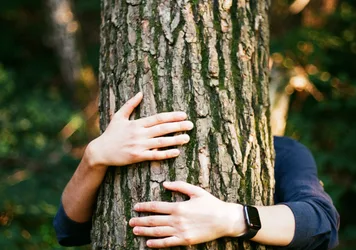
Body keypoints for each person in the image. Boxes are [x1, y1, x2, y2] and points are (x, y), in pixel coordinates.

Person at [53, 92, 340, 249]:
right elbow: (69, 231)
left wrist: (231, 218)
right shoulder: (122, 142)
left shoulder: (283, 151)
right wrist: (94, 157)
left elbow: (321, 223)